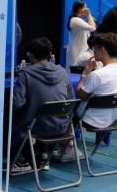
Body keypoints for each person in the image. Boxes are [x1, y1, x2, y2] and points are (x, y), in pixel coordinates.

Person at [12, 38, 74, 171]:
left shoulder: (25, 74)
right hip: (61, 127)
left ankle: (23, 160)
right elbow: (72, 101)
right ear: (50, 54)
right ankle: (43, 155)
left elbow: (17, 103)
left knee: (12, 118)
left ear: (30, 54)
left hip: (36, 128)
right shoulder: (63, 72)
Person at [76, 33, 117, 133]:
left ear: (102, 49)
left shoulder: (96, 75)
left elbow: (80, 95)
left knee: (68, 111)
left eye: (95, 48)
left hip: (90, 120)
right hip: (113, 119)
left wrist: (85, 73)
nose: (94, 51)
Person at [66, 0, 96, 69]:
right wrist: (89, 14)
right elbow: (93, 28)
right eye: (85, 7)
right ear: (80, 9)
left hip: (80, 49)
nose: (87, 9)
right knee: (74, 71)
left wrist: (90, 18)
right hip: (77, 50)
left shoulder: (77, 20)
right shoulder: (76, 20)